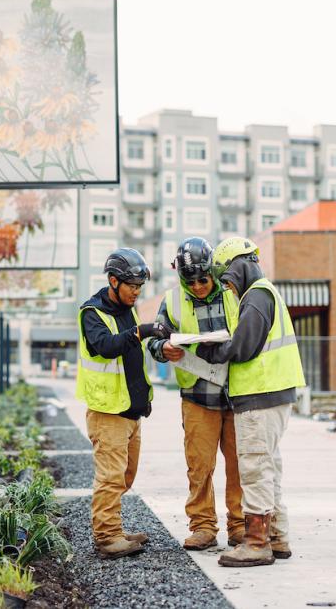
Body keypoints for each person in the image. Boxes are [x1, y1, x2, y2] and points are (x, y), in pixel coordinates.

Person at [167, 236, 305, 568]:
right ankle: (277, 537)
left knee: (254, 469)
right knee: (269, 466)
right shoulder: (262, 293)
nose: (223, 284)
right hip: (270, 393)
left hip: (260, 395)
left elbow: (242, 347)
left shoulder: (256, 296)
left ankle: (257, 543)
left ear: (239, 266)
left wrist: (207, 351)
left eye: (225, 275)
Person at [148, 237, 245, 551]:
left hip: (237, 394)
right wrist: (163, 348)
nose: (199, 286)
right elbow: (155, 337)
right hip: (198, 397)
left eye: (204, 279)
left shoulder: (234, 293)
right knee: (200, 467)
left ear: (212, 273)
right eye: (191, 281)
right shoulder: (173, 301)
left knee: (239, 465)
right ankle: (203, 527)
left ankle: (240, 526)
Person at [76, 247, 162, 559]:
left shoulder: (128, 308)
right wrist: (140, 331)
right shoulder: (92, 313)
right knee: (110, 477)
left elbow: (133, 359)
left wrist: (144, 399)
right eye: (132, 287)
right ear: (113, 281)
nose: (137, 293)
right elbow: (106, 347)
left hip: (129, 410)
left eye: (140, 287)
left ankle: (114, 526)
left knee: (125, 476)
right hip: (107, 412)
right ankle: (107, 537)